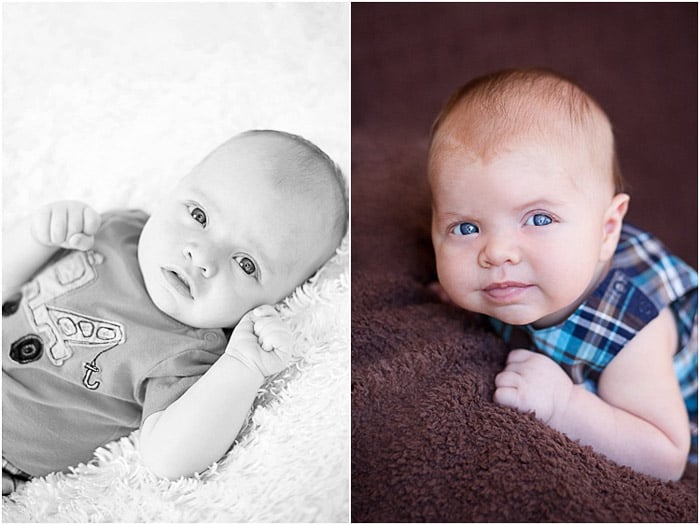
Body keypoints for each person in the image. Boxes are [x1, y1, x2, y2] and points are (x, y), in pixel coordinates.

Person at [2, 129, 348, 494]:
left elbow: (167, 459)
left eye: (246, 264)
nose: (201, 256)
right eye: (199, 215)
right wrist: (37, 237)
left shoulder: (189, 352)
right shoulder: (116, 230)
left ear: (277, 300)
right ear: (175, 190)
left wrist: (244, 368)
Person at [428, 68, 697, 481]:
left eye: (538, 219)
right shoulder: (530, 275)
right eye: (466, 228)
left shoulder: (632, 325)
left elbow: (665, 457)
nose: (497, 253)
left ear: (606, 230)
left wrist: (565, 404)